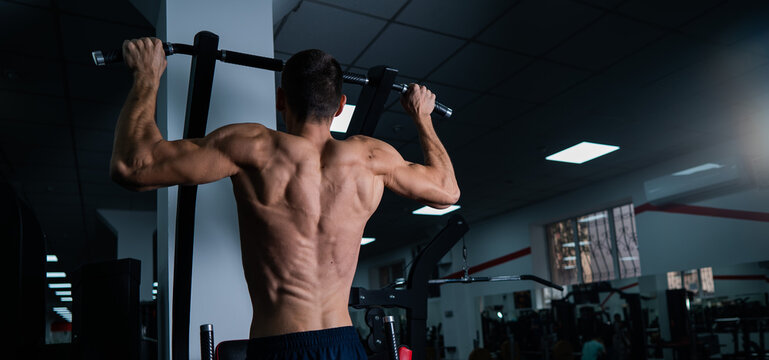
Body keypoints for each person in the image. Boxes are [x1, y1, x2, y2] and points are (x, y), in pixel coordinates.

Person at [110, 38, 460, 359]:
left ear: (281, 100)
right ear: (340, 106)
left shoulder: (253, 147)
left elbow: (132, 167)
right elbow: (447, 192)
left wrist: (147, 77)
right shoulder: (372, 158)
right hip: (344, 345)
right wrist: (422, 118)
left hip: (278, 345)